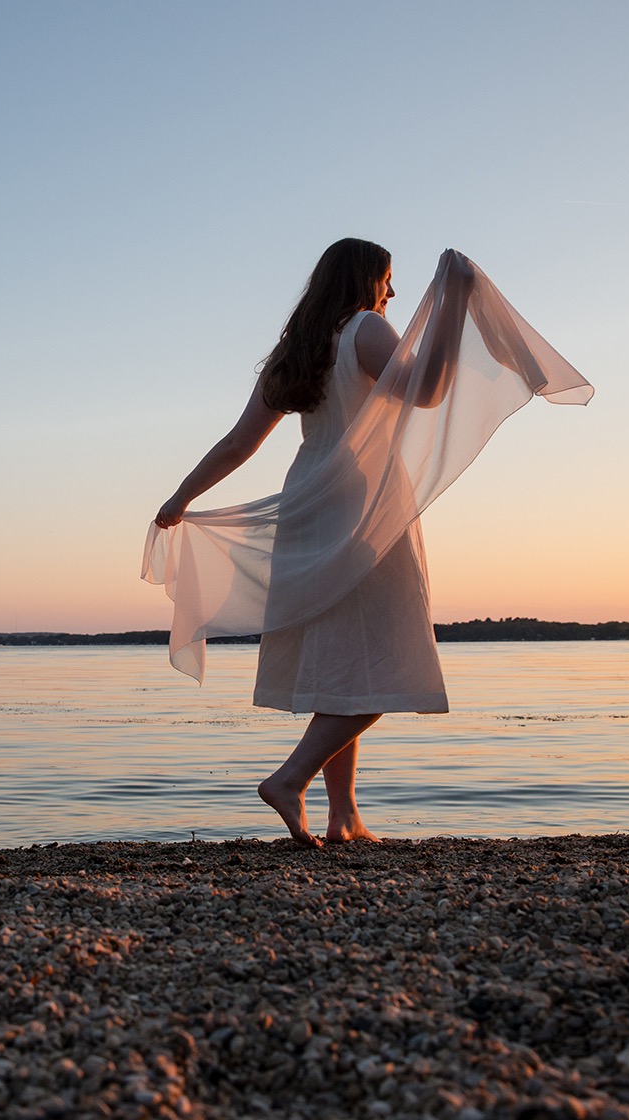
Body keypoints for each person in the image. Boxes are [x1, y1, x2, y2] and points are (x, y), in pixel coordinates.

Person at [154, 238, 469, 847]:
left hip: (311, 499)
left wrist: (180, 497)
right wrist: (453, 305)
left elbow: (238, 442)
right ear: (363, 281)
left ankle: (343, 815)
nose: (393, 292)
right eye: (387, 279)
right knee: (387, 661)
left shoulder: (296, 350)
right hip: (362, 504)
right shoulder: (366, 329)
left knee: (340, 666)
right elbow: (427, 389)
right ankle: (289, 778)